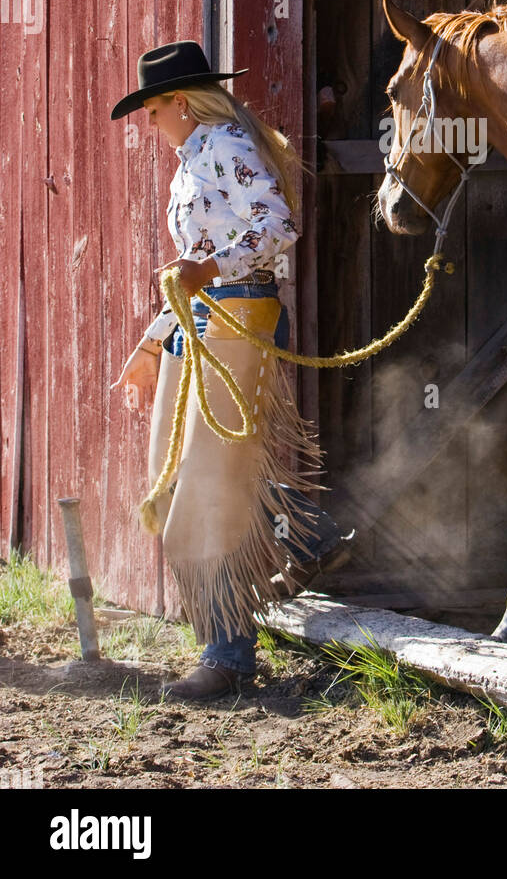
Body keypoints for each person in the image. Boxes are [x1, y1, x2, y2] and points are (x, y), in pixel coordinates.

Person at [111, 41, 353, 701]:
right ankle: (303, 539)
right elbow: (190, 271)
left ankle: (227, 652)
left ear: (180, 104)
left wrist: (207, 272)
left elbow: (277, 227)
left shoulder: (222, 148)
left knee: (205, 482)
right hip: (205, 322)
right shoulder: (197, 159)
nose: (148, 122)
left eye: (151, 109)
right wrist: (151, 347)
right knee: (173, 473)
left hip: (238, 315)